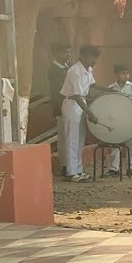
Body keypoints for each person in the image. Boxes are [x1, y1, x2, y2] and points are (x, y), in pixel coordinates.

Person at [60, 45, 103, 182]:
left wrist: (107, 90)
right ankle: (71, 172)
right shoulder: (75, 71)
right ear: (84, 56)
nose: (94, 61)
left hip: (81, 104)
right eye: (93, 57)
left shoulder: (88, 69)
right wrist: (90, 113)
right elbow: (77, 95)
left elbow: (93, 85)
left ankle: (78, 169)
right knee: (72, 139)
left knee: (80, 139)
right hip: (72, 104)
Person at [105, 64, 132, 177]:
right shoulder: (111, 88)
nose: (126, 76)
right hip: (116, 120)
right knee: (115, 144)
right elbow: (108, 103)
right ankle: (114, 169)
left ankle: (131, 168)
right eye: (123, 73)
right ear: (116, 74)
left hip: (131, 119)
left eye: (127, 73)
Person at [47, 42, 73, 177]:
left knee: (70, 138)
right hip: (61, 108)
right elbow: (59, 93)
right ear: (56, 53)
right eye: (65, 52)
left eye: (69, 52)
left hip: (69, 108)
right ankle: (64, 165)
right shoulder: (54, 70)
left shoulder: (67, 67)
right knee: (64, 139)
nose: (68, 55)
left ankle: (69, 164)